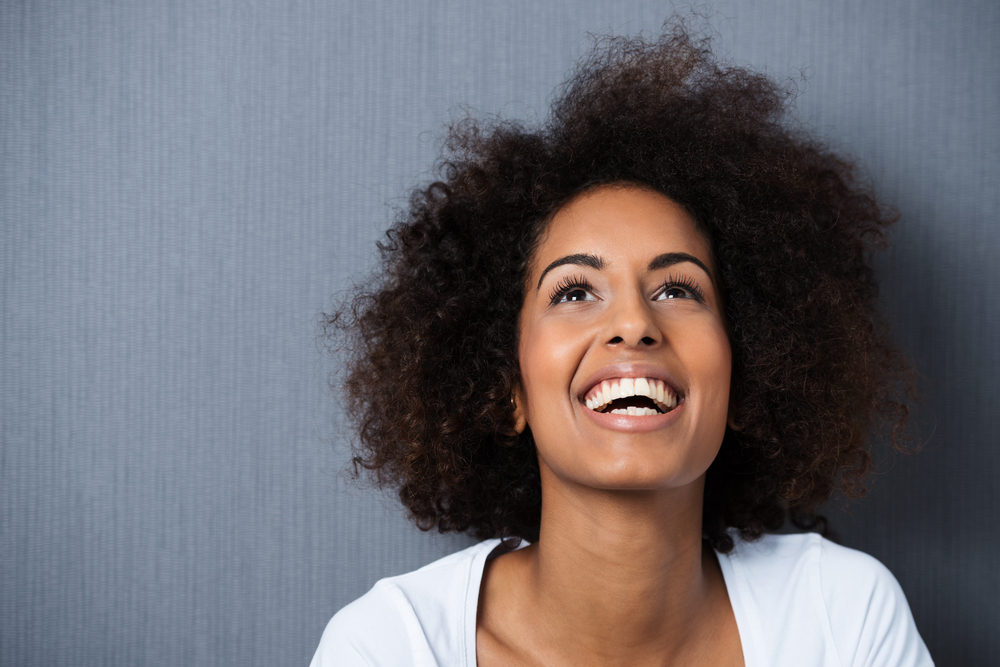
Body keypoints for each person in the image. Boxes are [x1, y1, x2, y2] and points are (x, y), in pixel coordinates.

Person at [312, 21, 933, 667]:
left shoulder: (842, 617)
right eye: (575, 292)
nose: (634, 322)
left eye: (678, 289)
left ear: (746, 371)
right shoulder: (390, 646)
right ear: (506, 387)